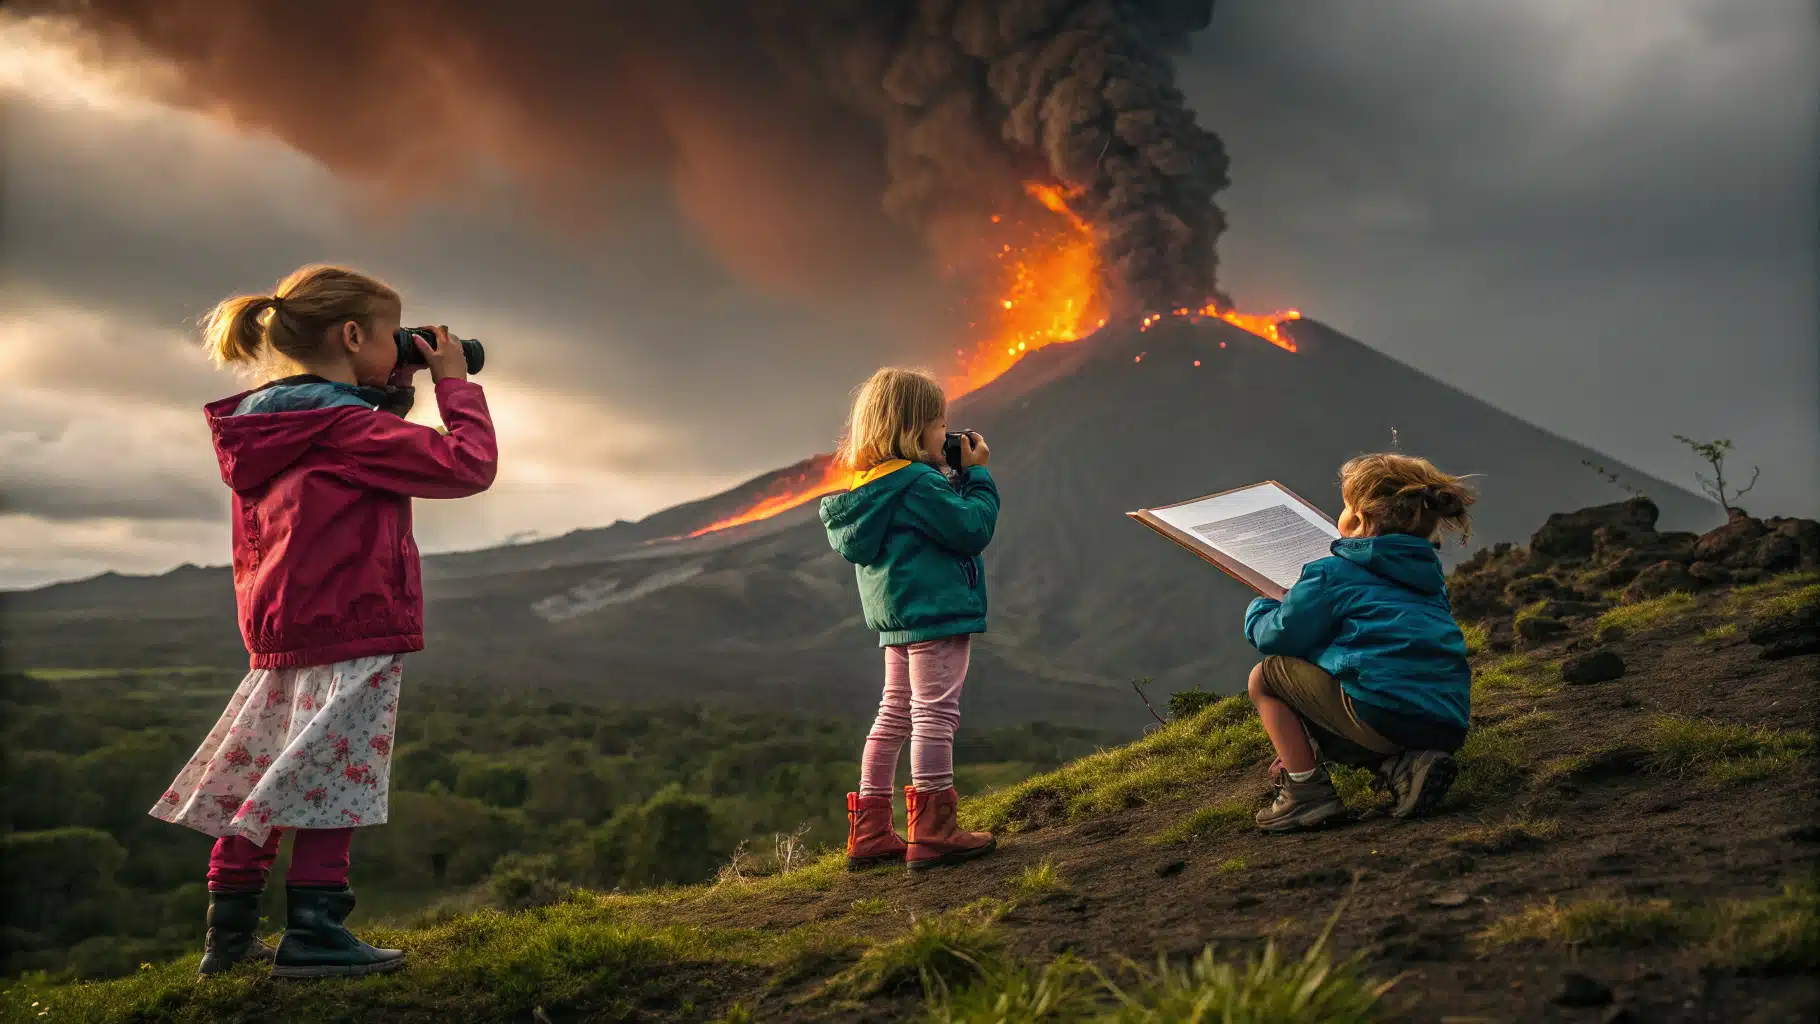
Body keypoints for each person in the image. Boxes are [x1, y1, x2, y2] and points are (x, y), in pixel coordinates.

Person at [151, 264, 497, 977]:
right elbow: (466, 466)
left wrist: (393, 384)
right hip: (353, 624)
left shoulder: (276, 423)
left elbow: (362, 444)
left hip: (284, 633)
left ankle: (229, 936)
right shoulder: (345, 427)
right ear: (350, 334)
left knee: (263, 778)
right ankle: (316, 931)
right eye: (388, 337)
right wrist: (453, 383)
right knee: (335, 779)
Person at [819, 367, 1000, 871]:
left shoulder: (871, 486)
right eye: (940, 424)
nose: (947, 435)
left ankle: (872, 831)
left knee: (894, 713)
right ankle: (935, 829)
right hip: (936, 614)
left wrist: (952, 474)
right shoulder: (918, 481)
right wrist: (978, 476)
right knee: (934, 714)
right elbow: (970, 529)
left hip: (897, 620)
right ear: (915, 427)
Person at [1242, 453, 1476, 833]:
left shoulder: (1332, 572)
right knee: (1359, 685)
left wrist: (1262, 604)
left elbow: (1277, 636)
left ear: (1360, 519)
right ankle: (1405, 767)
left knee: (1268, 677)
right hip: (1446, 722)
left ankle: (1305, 792)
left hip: (1383, 713)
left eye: (1347, 505)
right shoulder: (1427, 574)